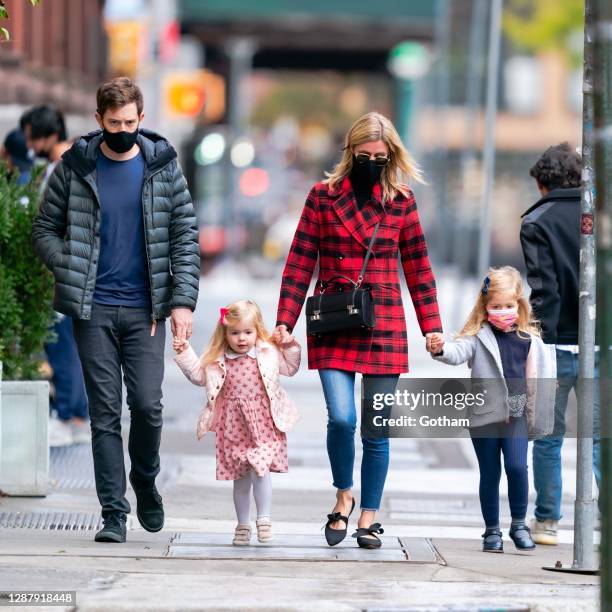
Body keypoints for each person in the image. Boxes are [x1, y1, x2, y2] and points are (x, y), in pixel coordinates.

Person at [32, 76, 200, 543]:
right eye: (113, 122)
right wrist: (67, 262)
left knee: (147, 406)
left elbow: (185, 236)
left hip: (147, 311)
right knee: (104, 413)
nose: (122, 129)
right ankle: (112, 512)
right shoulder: (76, 166)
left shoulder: (164, 167)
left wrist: (183, 301)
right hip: (94, 309)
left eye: (130, 122)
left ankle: (144, 482)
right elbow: (44, 227)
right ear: (99, 120)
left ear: (142, 120)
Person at [275, 112, 443, 549]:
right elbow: (299, 261)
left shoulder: (402, 202)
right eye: (364, 155)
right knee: (342, 417)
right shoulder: (322, 197)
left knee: (376, 425)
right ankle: (343, 494)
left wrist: (433, 328)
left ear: (392, 157)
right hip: (332, 318)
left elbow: (419, 270)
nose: (372, 162)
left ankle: (369, 514)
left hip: (384, 321)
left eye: (380, 157)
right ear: (350, 153)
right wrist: (283, 321)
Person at [428, 266, 555, 553]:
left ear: (518, 305)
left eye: (508, 305)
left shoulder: (529, 341)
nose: (502, 311)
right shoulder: (477, 337)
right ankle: (491, 531)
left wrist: (539, 415)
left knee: (517, 467)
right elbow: (456, 353)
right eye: (496, 306)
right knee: (489, 472)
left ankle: (519, 524)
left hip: (516, 416)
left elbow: (537, 381)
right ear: (485, 308)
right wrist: (439, 348)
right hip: (484, 417)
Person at [520, 142, 600, 546]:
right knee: (601, 436)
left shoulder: (538, 221)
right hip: (602, 345)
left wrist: (537, 343)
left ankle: (548, 522)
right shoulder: (598, 215)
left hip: (556, 347)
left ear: (541, 183)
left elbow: (545, 291)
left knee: (548, 437)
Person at [173, 300, 301, 545]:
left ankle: (264, 518)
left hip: (264, 422)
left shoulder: (268, 352)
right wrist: (184, 351)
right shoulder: (217, 359)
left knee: (261, 471)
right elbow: (198, 376)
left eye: (247, 332)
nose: (241, 338)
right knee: (240, 478)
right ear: (225, 333)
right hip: (233, 426)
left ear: (257, 331)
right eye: (235, 333)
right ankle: (242, 524)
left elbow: (291, 367)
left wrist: (289, 345)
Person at [21, 105, 88, 447]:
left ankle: (68, 414)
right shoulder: (66, 166)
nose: (30, 144)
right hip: (70, 268)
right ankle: (74, 413)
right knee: (69, 343)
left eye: (32, 136)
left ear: (47, 135)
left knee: (62, 344)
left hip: (60, 272)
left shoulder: (60, 169)